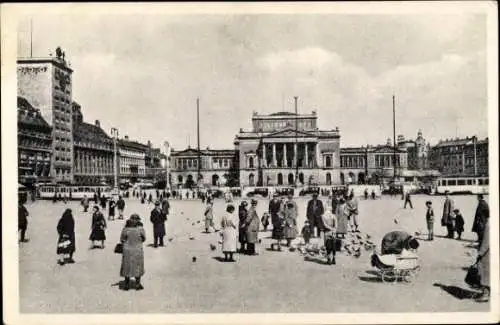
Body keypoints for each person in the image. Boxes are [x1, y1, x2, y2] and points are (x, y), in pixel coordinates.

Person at [120, 214, 146, 291]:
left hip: (127, 250)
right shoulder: (141, 229)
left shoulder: (125, 229)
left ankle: (127, 284)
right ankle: (137, 284)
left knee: (127, 266)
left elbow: (122, 239)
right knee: (138, 266)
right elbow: (144, 238)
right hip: (137, 250)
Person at [475, 217, 490, 302]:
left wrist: (480, 253)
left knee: (484, 272)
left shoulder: (488, 225)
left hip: (486, 253)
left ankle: (485, 294)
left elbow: (486, 241)